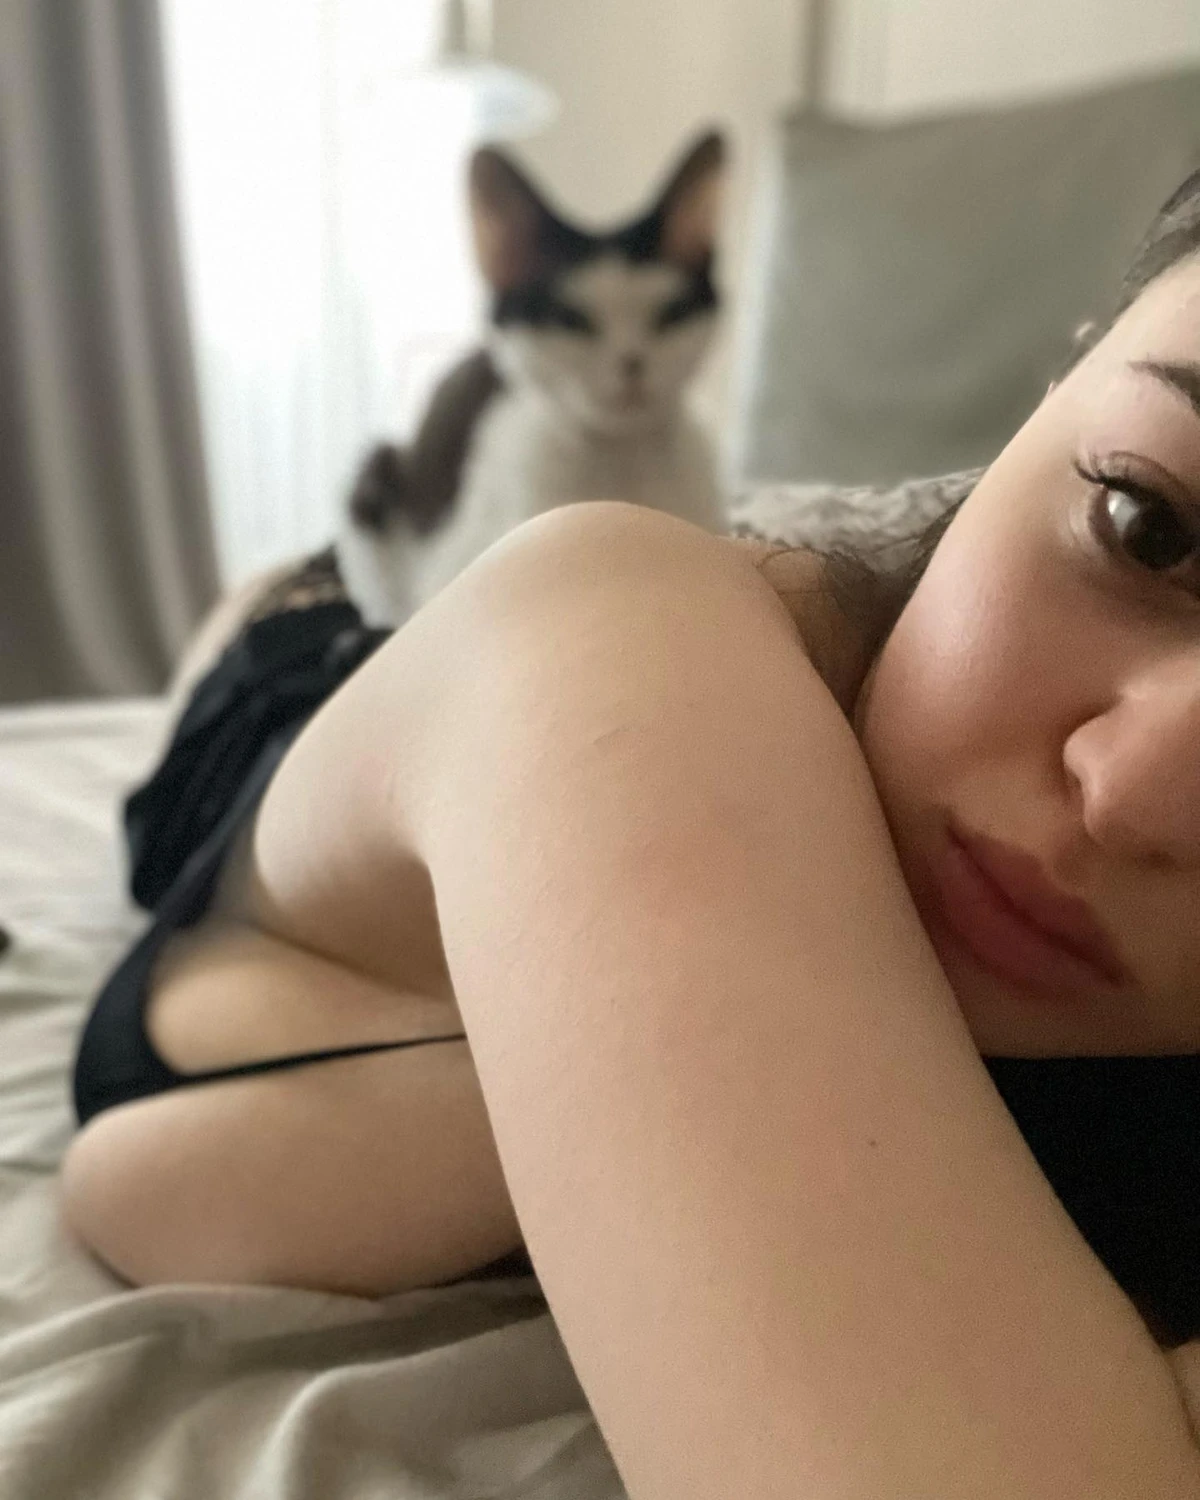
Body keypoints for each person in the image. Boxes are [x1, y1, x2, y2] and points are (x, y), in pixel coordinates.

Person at [61, 169, 1200, 1497]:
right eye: (1148, 525)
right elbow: (130, 1184)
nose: (1127, 793)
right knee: (307, 644)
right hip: (311, 723)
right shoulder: (625, 630)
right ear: (1057, 393)